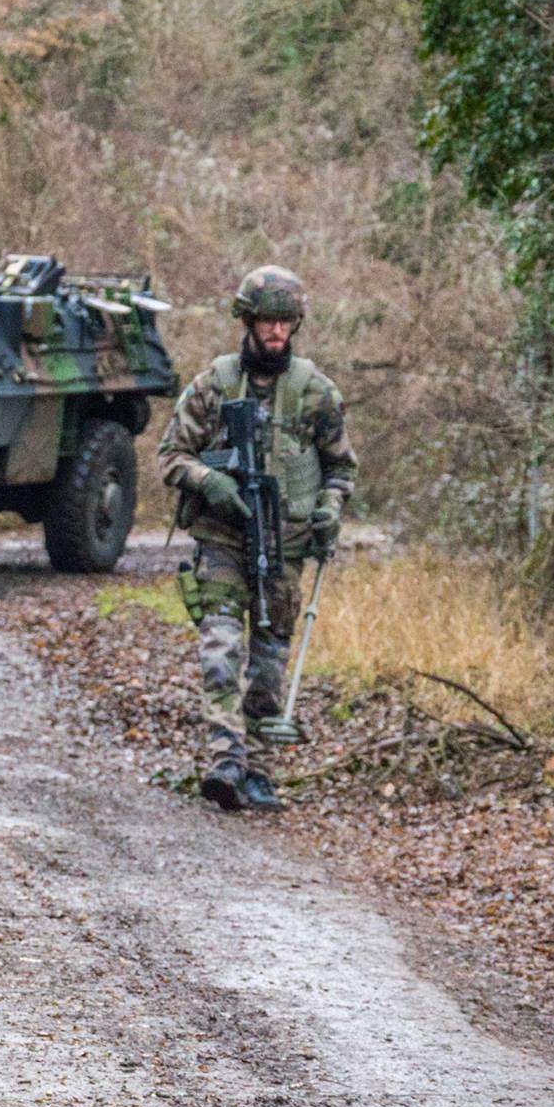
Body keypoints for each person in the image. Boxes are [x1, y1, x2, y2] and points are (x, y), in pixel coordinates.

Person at [157, 266, 358, 813]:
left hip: (285, 547)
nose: (276, 331)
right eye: (267, 320)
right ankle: (225, 759)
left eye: (285, 321)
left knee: (268, 666)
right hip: (222, 541)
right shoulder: (214, 385)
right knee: (221, 652)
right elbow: (171, 455)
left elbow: (342, 469)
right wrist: (210, 480)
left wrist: (329, 508)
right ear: (247, 320)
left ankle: (260, 771)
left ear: (296, 325)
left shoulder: (316, 392)